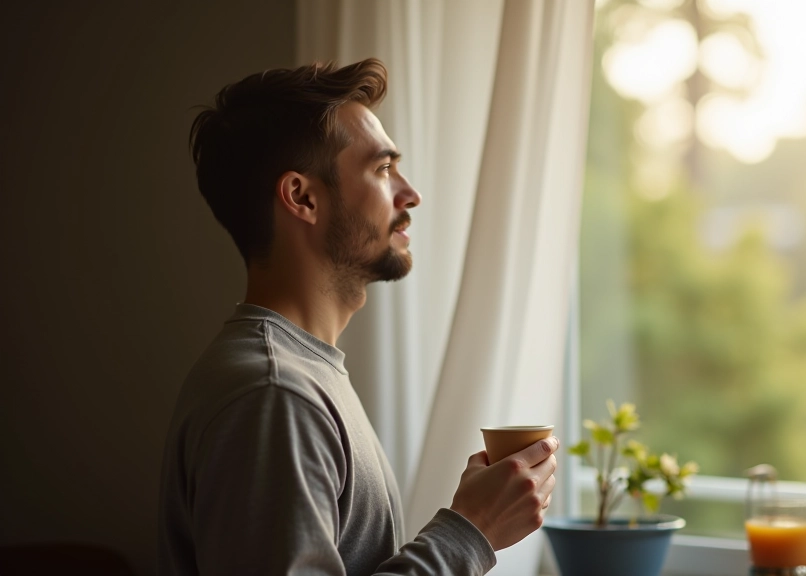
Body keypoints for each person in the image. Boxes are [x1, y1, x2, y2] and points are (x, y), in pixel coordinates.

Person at [157, 58, 559, 576]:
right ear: (302, 197)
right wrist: (471, 531)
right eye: (383, 168)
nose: (410, 194)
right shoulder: (275, 394)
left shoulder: (298, 377)